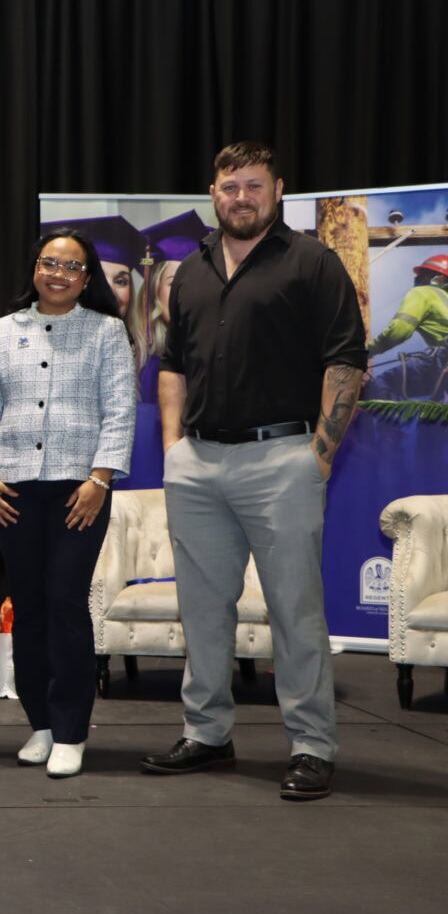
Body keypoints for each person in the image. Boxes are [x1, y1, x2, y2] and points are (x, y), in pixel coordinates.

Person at [141, 142, 367, 801]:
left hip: (283, 459)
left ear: (277, 191)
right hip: (198, 463)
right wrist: (174, 450)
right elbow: (173, 365)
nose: (241, 197)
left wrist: (318, 456)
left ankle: (312, 747)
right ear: (212, 194)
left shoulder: (312, 262)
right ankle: (208, 735)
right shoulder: (189, 271)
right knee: (203, 611)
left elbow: (346, 360)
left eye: (254, 186)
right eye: (229, 186)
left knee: (296, 612)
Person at [0, 230, 135, 778]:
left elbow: (120, 410)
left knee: (65, 603)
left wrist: (100, 479)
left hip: (78, 491)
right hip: (12, 490)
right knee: (30, 608)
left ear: (87, 279)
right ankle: (39, 724)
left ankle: (70, 731)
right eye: (49, 263)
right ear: (34, 268)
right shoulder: (0, 331)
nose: (58, 273)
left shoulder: (107, 332)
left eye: (72, 266)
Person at [121, 210, 213, 490]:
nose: (187, 291)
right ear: (154, 290)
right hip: (145, 479)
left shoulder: (217, 352)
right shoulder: (138, 357)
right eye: (174, 283)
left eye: (196, 281)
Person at [362, 253, 448, 401]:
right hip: (442, 365)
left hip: (444, 359)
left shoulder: (423, 292)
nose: (417, 280)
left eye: (421, 276)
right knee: (435, 395)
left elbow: (399, 330)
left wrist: (367, 352)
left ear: (435, 278)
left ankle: (386, 422)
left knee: (380, 385)